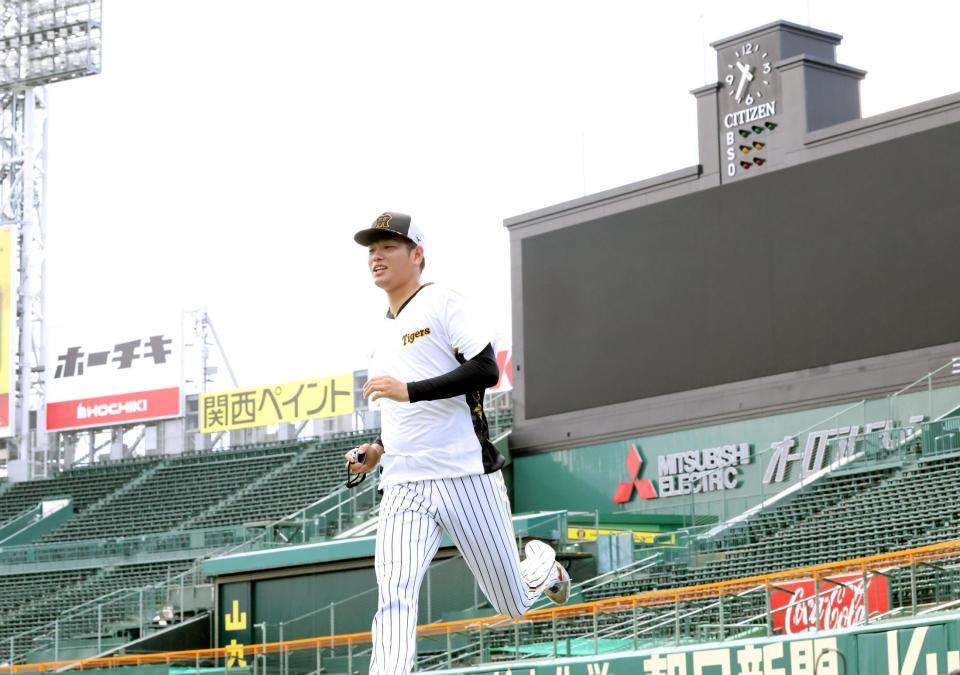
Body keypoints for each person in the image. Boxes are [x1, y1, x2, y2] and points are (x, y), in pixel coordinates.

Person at [345, 212, 570, 675]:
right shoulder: (379, 332)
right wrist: (377, 450)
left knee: (512, 603)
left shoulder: (443, 302)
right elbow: (403, 416)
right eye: (372, 247)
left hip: (465, 475)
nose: (376, 255)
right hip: (404, 483)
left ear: (417, 254)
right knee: (395, 590)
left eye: (388, 245)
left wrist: (410, 389)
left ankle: (543, 568)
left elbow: (487, 370)